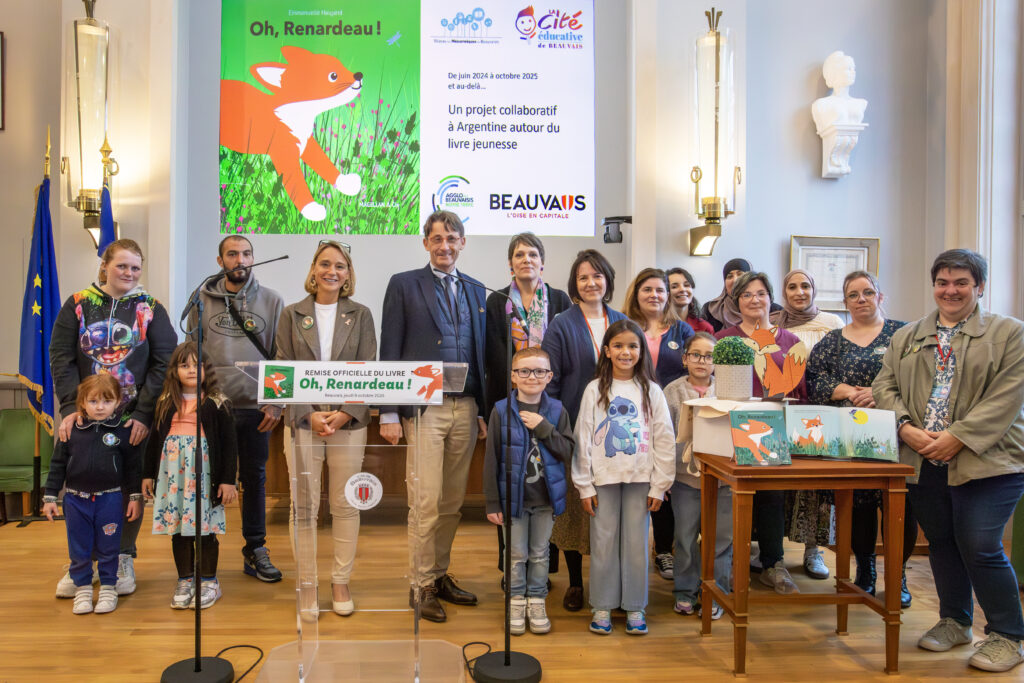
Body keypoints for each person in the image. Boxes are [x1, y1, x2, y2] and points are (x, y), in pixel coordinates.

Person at [873, 249, 1024, 673]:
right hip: (922, 458)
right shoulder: (908, 335)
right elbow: (884, 385)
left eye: (961, 283)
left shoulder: (1010, 333)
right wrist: (905, 428)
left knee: (979, 544)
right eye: (943, 282)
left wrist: (958, 437)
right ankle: (955, 621)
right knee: (940, 541)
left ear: (980, 287)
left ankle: (1007, 636)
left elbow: (1007, 398)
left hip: (989, 460)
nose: (950, 290)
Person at [49, 238, 177, 598]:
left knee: (126, 489)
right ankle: (81, 566)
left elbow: (163, 362)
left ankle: (121, 556)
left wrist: (143, 414)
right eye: (122, 266)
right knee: (82, 489)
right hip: (85, 417)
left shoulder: (151, 308)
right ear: (105, 266)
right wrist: (71, 409)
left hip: (131, 419)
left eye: (136, 267)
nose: (129, 273)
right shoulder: (77, 305)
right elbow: (61, 358)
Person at [379, 210, 487, 623]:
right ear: (426, 243)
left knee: (451, 503)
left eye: (452, 238)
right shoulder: (404, 285)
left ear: (463, 243)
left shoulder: (477, 289)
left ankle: (439, 575)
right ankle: (420, 584)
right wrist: (389, 409)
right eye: (437, 238)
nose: (445, 245)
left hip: (466, 407)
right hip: (424, 408)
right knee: (424, 501)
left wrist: (480, 406)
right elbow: (391, 348)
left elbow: (479, 354)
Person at [275, 240, 377, 617]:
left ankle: (340, 580)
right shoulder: (291, 314)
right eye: (325, 264)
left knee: (345, 503)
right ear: (313, 270)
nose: (332, 271)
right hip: (304, 421)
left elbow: (369, 366)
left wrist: (346, 411)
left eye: (340, 266)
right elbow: (281, 369)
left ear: (348, 274)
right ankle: (307, 584)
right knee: (304, 507)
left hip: (348, 423)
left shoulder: (361, 314)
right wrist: (307, 412)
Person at [807, 270, 915, 607]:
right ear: (845, 302)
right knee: (860, 508)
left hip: (900, 437)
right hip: (853, 440)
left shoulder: (905, 335)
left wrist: (878, 393)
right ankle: (865, 570)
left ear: (880, 296)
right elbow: (815, 383)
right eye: (853, 295)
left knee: (901, 508)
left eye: (868, 292)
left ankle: (898, 575)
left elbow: (917, 382)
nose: (861, 300)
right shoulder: (833, 341)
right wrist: (851, 392)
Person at [187, 235, 284, 583]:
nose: (239, 259)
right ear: (220, 261)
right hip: (214, 408)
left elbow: (280, 356)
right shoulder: (200, 299)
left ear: (253, 258)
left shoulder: (272, 301)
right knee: (209, 479)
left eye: (245, 254)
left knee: (254, 480)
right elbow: (191, 355)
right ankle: (205, 546)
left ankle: (255, 549)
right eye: (232, 254)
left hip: (255, 407)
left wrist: (275, 401)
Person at [573, 319, 675, 635]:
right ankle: (602, 605)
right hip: (602, 478)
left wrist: (660, 485)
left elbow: (664, 438)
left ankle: (634, 606)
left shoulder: (651, 390)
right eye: (618, 346)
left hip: (640, 478)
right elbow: (584, 436)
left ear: (642, 351)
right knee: (603, 541)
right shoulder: (595, 389)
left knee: (636, 543)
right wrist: (584, 484)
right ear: (606, 351)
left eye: (632, 346)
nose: (625, 352)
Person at [541, 249, 626, 612]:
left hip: (619, 433)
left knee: (612, 508)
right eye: (583, 278)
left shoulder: (622, 322)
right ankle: (576, 583)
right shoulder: (562, 323)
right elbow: (551, 381)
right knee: (576, 510)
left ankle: (609, 582)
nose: (591, 283)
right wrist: (557, 429)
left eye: (597, 276)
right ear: (574, 285)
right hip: (575, 428)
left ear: (607, 280)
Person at [484, 233, 571, 579]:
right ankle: (511, 570)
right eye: (519, 254)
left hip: (549, 401)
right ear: (510, 263)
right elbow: (491, 357)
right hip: (510, 404)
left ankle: (542, 572)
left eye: (533, 254)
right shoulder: (496, 303)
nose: (526, 260)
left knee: (544, 487)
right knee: (511, 483)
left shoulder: (560, 300)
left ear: (542, 262)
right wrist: (489, 407)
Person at [716, 271, 807, 594]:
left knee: (771, 497)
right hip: (731, 428)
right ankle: (731, 563)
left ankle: (774, 564)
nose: (755, 300)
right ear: (736, 302)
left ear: (771, 298)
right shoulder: (724, 339)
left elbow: (802, 391)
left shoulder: (791, 342)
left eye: (760, 293)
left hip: (775, 431)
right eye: (746, 295)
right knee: (732, 498)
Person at [483, 347, 575, 635]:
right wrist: (492, 502)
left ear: (549, 376)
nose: (531, 376)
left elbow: (568, 451)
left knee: (539, 554)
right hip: (513, 501)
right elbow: (491, 459)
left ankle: (537, 601)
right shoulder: (500, 410)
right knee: (516, 554)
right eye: (524, 371)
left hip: (545, 500)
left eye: (538, 371)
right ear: (513, 376)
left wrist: (544, 427)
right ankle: (516, 601)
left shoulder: (557, 411)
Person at [142, 342, 238, 610]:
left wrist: (228, 480)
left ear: (207, 369)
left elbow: (230, 446)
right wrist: (148, 475)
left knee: (204, 531)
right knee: (180, 531)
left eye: (197, 365)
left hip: (204, 475)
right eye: (184, 365)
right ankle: (185, 580)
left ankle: (209, 581)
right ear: (174, 370)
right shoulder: (165, 401)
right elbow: (153, 442)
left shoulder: (218, 403)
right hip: (174, 476)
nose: (191, 370)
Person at [42, 374, 143, 615]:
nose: (100, 407)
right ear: (82, 402)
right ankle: (84, 590)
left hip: (110, 500)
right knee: (80, 547)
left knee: (110, 547)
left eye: (107, 401)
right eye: (93, 401)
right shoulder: (71, 431)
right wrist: (49, 497)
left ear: (118, 401)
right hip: (76, 501)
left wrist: (135, 498)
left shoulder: (123, 432)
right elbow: (57, 465)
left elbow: (132, 469)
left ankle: (108, 588)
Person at [771, 269, 843, 581]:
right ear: (783, 292)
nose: (799, 292)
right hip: (785, 410)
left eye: (805, 286)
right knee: (779, 485)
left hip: (821, 412)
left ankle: (814, 551)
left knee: (816, 485)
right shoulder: (773, 324)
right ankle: (773, 554)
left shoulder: (832, 323)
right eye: (792, 287)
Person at [623, 267, 694, 580]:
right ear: (636, 294)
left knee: (669, 479)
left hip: (675, 418)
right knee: (642, 480)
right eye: (647, 289)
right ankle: (645, 549)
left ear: (668, 295)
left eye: (659, 290)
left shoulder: (683, 332)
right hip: (632, 416)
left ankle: (668, 548)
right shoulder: (624, 327)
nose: (654, 295)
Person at [663, 332, 730, 621]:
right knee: (686, 536)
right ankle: (685, 591)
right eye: (696, 354)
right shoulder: (672, 391)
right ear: (685, 358)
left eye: (710, 356)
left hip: (724, 478)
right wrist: (664, 476)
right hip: (684, 479)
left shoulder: (728, 390)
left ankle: (716, 592)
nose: (703, 361)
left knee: (721, 538)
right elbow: (663, 437)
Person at [701, 258, 782, 332]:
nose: (735, 280)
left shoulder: (775, 311)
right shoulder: (712, 310)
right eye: (729, 276)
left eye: (740, 274)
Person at [666, 267, 714, 334]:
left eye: (686, 285)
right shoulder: (657, 325)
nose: (682, 289)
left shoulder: (704, 327)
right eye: (674, 287)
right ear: (665, 292)